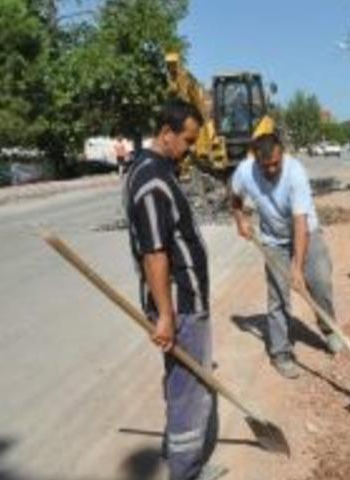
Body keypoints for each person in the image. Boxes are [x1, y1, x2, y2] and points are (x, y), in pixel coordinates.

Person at [123, 98, 225, 480]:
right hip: (180, 306)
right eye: (187, 140)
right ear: (166, 133)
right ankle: (186, 472)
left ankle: (181, 457)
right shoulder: (151, 182)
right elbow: (154, 254)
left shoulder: (153, 171)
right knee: (189, 391)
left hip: (181, 303)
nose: (189, 148)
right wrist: (166, 315)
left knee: (183, 385)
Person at [230, 133, 342, 379]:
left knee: (320, 282)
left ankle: (329, 329)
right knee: (278, 297)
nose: (271, 169)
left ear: (283, 155)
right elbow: (235, 198)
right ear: (255, 159)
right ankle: (281, 353)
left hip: (306, 233)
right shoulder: (245, 172)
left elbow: (300, 223)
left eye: (275, 164)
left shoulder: (295, 173)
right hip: (273, 241)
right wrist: (240, 219)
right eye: (265, 165)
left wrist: (297, 268)